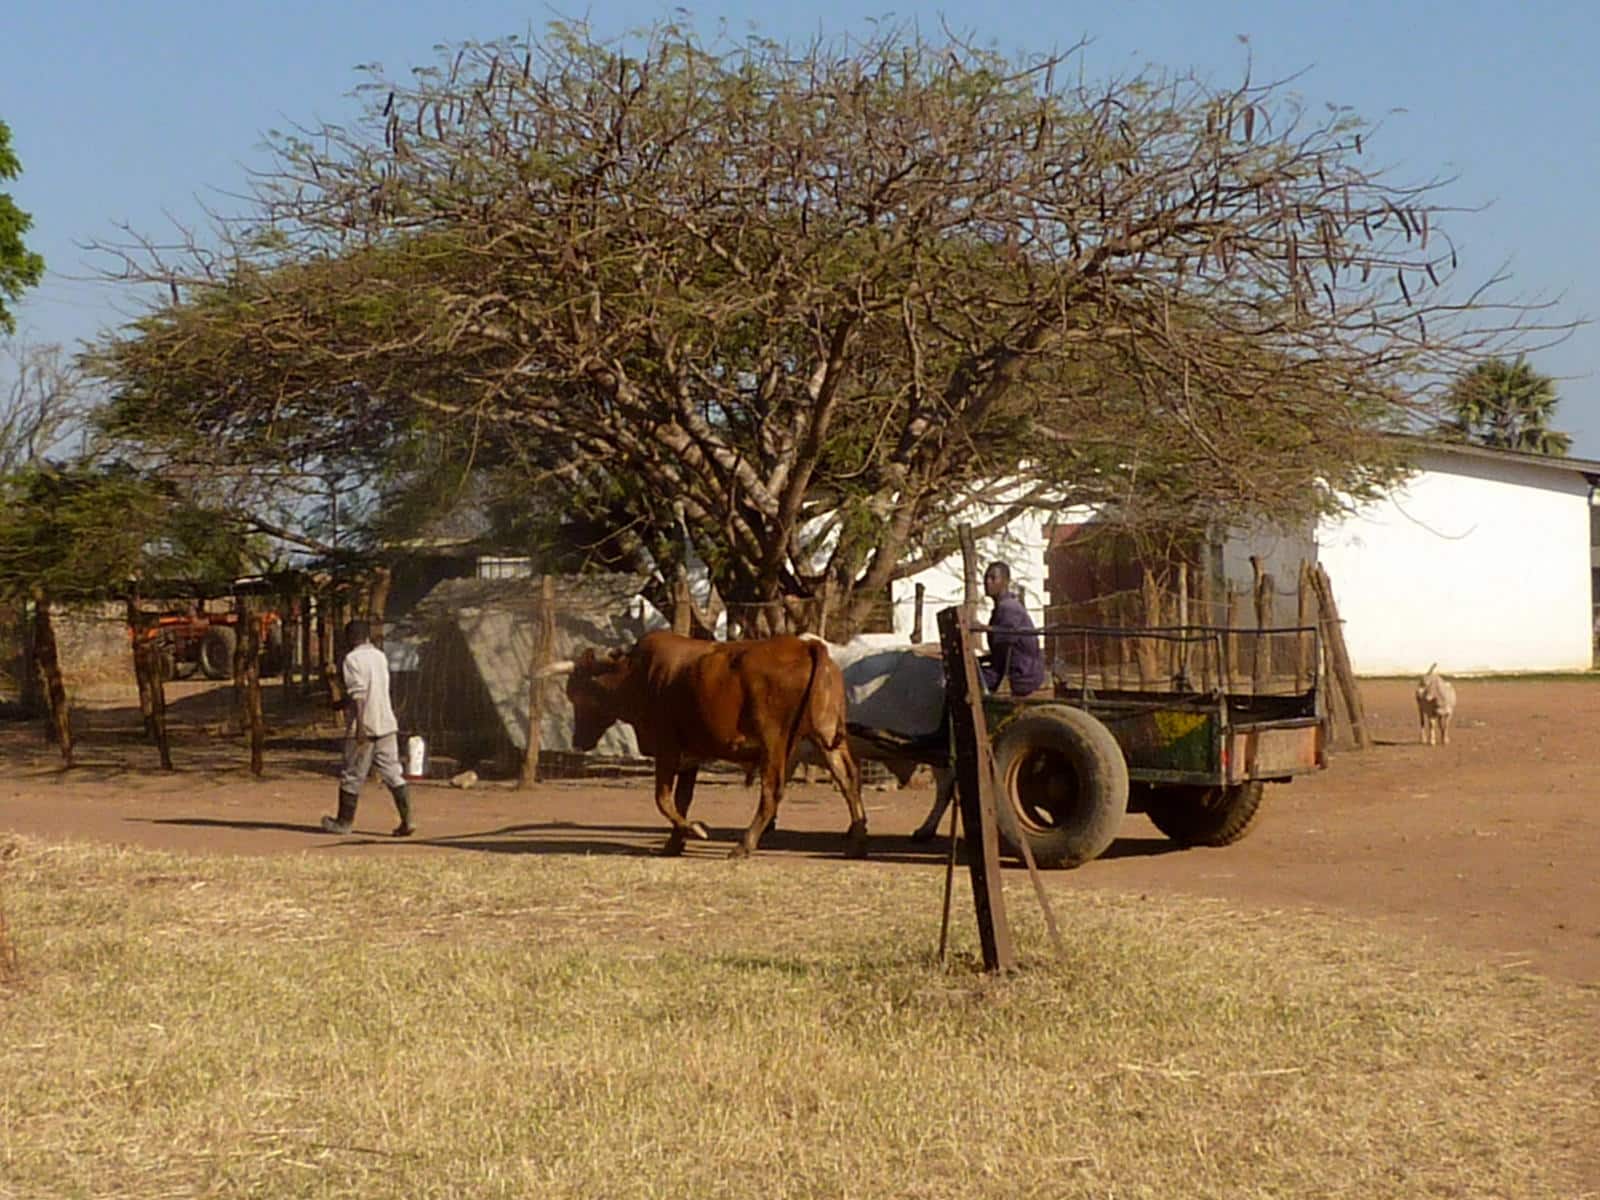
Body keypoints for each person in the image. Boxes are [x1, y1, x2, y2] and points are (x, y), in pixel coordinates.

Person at [321, 618, 414, 837]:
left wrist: (360, 727)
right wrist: (342, 703)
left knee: (352, 775)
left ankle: (344, 822)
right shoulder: (379, 657)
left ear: (351, 637)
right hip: (386, 722)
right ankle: (407, 820)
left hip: (365, 725)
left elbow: (360, 694)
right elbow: (373, 690)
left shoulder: (352, 659)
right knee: (393, 772)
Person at [978, 561, 1045, 697]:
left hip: (1022, 674)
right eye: (986, 578)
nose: (987, 582)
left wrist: (980, 628)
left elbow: (1005, 639)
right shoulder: (1002, 608)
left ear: (1005, 582)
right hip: (1010, 667)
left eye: (992, 578)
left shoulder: (1009, 608)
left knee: (966, 682)